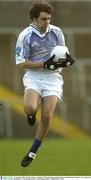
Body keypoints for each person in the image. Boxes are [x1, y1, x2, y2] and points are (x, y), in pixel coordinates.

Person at [15, 0, 75, 167]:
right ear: (34, 19)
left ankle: (33, 151)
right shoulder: (25, 35)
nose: (46, 22)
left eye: (48, 18)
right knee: (30, 108)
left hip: (52, 78)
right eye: (43, 19)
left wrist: (68, 60)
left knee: (47, 115)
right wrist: (44, 64)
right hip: (34, 76)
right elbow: (21, 63)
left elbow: (63, 54)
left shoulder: (56, 32)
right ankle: (31, 114)